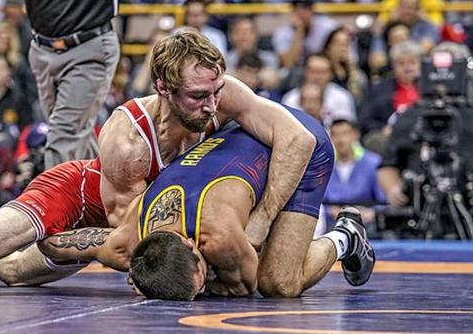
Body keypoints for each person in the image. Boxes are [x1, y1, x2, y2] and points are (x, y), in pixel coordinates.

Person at [0, 30, 320, 296]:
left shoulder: (219, 94)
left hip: (138, 221)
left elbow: (295, 137)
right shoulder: (129, 142)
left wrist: (257, 222)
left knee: (8, 270)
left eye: (214, 92)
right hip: (80, 198)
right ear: (163, 89)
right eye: (198, 96)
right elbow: (127, 235)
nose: (212, 107)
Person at [37, 107, 374, 300]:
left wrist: (217, 276)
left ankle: (345, 236)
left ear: (190, 244)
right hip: (234, 140)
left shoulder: (221, 237)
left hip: (294, 141)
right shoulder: (124, 241)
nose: (203, 287)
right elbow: (54, 245)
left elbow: (245, 288)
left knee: (279, 282)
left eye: (199, 277)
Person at [0, 0, 151, 170]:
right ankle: (106, 191)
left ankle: (55, 205)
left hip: (89, 47)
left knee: (63, 132)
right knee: (76, 133)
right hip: (43, 49)